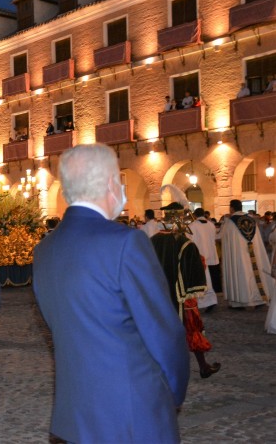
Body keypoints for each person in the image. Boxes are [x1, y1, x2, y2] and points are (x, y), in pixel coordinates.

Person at [32, 144, 189, 443]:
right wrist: (173, 391)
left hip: (75, 411)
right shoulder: (126, 243)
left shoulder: (45, 250)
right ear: (109, 184)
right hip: (132, 411)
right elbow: (164, 332)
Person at [151, 202, 221, 379]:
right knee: (192, 330)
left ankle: (161, 369)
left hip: (158, 297)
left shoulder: (152, 241)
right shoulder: (185, 244)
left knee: (160, 332)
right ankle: (203, 367)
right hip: (182, 297)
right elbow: (195, 272)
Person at [218, 199, 273, 311]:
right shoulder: (251, 220)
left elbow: (222, 237)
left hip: (239, 255)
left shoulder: (230, 222)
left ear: (232, 208)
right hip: (254, 253)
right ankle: (259, 300)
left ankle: (239, 303)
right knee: (255, 272)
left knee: (240, 274)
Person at [188, 207, 220, 310]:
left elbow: (189, 240)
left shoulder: (192, 226)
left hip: (200, 255)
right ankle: (210, 300)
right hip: (211, 254)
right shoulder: (211, 225)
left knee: (203, 281)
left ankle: (207, 301)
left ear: (195, 215)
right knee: (209, 279)